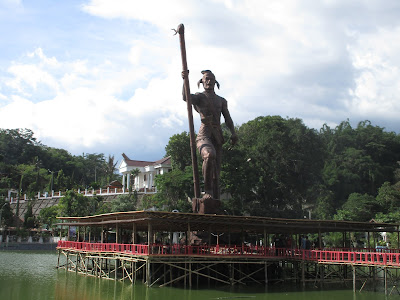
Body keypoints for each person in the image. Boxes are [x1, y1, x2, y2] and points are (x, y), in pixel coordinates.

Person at [182, 70, 238, 200]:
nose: (209, 82)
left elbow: (227, 118)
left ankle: (215, 198)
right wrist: (185, 80)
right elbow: (186, 97)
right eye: (206, 79)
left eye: (211, 79)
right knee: (209, 155)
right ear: (201, 82)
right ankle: (207, 191)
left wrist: (233, 133)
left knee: (216, 173)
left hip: (217, 136)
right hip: (204, 135)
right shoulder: (200, 97)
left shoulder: (221, 101)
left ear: (215, 82)